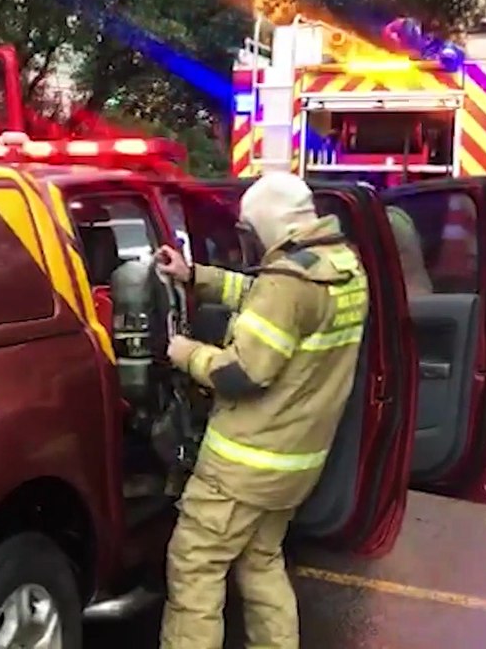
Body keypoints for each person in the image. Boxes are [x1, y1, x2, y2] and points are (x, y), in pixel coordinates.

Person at [154, 171, 369, 649]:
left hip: (243, 465)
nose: (249, 239)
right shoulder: (341, 266)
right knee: (261, 562)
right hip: (295, 464)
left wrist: (185, 353)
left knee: (195, 567)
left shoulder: (288, 281)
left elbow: (242, 374)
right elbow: (264, 302)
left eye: (250, 230)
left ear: (267, 224)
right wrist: (195, 276)